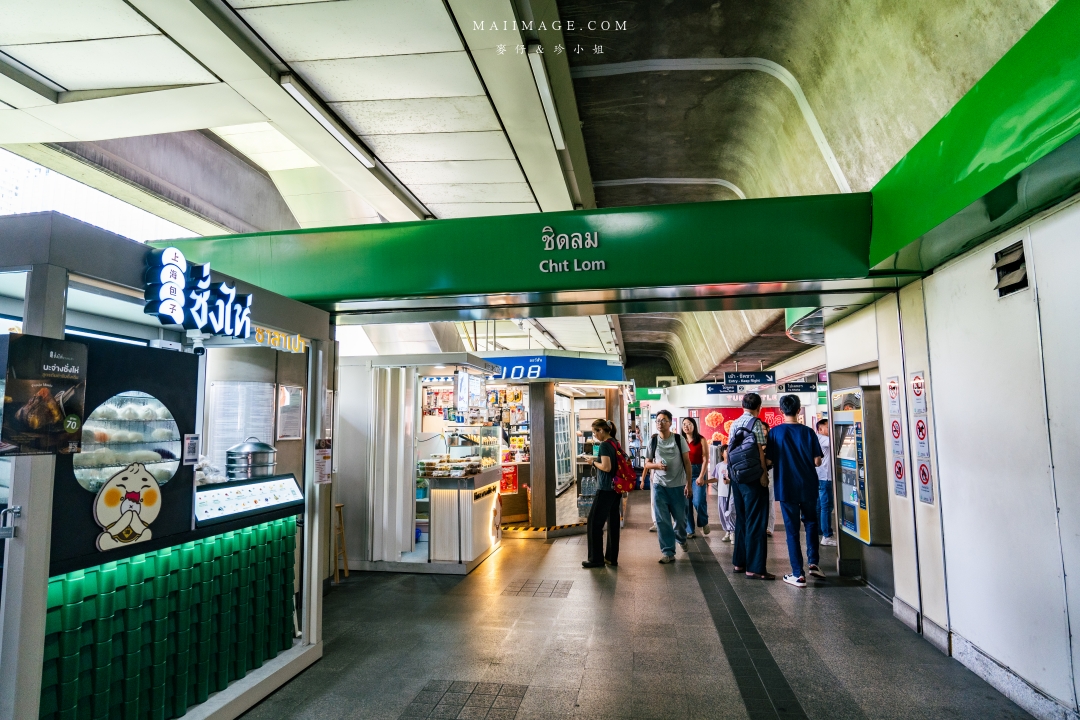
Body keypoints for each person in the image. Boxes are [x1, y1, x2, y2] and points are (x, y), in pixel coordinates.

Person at [766, 395, 825, 588]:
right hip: (808, 484)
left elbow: (769, 461)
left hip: (786, 485)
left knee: (791, 529)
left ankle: (797, 574)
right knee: (811, 523)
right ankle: (813, 563)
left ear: (781, 411)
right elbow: (817, 461)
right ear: (799, 410)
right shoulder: (808, 432)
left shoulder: (774, 433)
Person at [725, 393, 773, 579]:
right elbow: (760, 451)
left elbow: (730, 449)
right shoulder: (756, 424)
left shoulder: (735, 424)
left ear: (743, 405)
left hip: (738, 479)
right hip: (753, 478)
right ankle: (755, 568)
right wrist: (763, 475)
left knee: (742, 519)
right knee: (757, 521)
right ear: (758, 406)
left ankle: (740, 562)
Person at [644, 410, 692, 564]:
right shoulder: (653, 442)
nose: (660, 423)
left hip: (678, 486)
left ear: (670, 423)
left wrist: (689, 483)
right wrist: (656, 466)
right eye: (658, 420)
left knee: (680, 519)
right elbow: (647, 463)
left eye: (663, 420)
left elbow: (687, 463)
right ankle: (668, 551)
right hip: (660, 487)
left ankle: (681, 538)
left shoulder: (679, 440)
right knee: (662, 520)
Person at [583, 419, 620, 568]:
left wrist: (593, 462)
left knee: (593, 523)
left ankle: (596, 559)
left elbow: (606, 467)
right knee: (613, 523)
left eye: (595, 432)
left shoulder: (604, 445)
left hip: (605, 488)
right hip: (615, 488)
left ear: (601, 430)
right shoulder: (615, 442)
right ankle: (611, 558)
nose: (595, 435)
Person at [681, 418, 710, 538]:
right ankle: (690, 530)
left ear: (694, 426)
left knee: (698, 501)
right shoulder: (681, 440)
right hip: (683, 473)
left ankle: (703, 522)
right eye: (684, 424)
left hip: (698, 471)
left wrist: (701, 476)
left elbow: (705, 459)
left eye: (689, 424)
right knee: (686, 503)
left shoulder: (701, 439)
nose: (686, 426)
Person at [816, 418, 837, 546]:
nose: (830, 430)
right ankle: (827, 535)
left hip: (821, 476)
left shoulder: (818, 438)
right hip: (825, 477)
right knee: (827, 506)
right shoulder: (823, 439)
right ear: (820, 429)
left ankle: (820, 530)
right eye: (828, 428)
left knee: (820, 505)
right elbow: (836, 442)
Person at [711, 441, 735, 541]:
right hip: (721, 493)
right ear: (722, 453)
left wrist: (730, 481)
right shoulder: (719, 465)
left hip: (732, 493)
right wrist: (704, 481)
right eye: (726, 450)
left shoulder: (734, 465)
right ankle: (727, 531)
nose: (728, 451)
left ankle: (733, 531)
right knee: (722, 513)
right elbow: (716, 478)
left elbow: (737, 479)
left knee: (731, 512)